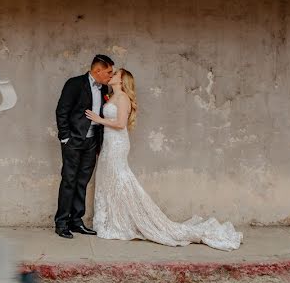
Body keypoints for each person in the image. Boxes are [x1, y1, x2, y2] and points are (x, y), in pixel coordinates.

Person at [86, 69, 243, 250]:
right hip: (108, 143)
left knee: (121, 179)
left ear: (122, 81)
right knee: (109, 180)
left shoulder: (122, 98)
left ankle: (134, 220)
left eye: (115, 74)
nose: (111, 74)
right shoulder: (112, 96)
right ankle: (111, 220)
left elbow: (121, 124)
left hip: (117, 143)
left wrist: (99, 119)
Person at [54, 54, 115, 239]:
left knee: (82, 182)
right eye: (108, 72)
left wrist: (99, 143)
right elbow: (62, 111)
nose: (111, 76)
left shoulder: (104, 87)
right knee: (69, 181)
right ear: (97, 71)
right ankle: (62, 223)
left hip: (92, 142)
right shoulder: (74, 84)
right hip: (73, 141)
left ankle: (76, 221)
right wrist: (65, 138)